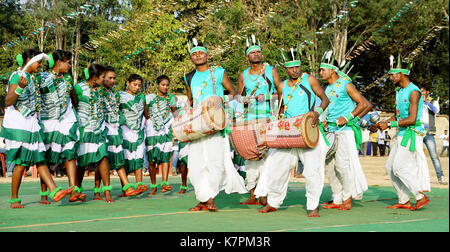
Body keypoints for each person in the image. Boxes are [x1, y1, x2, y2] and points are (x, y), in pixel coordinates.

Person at [256, 47, 329, 217]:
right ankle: (273, 202)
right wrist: (276, 121)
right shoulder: (281, 86)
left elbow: (325, 99)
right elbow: (281, 108)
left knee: (312, 171)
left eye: (297, 66)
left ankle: (313, 206)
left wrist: (316, 113)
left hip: (308, 129)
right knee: (275, 168)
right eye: (291, 68)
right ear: (285, 69)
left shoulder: (309, 80)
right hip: (288, 132)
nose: (295, 70)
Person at [1, 49, 73, 208]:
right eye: (38, 62)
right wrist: (19, 88)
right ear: (28, 60)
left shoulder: (31, 78)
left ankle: (49, 191)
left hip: (30, 122)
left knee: (32, 158)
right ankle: (49, 191)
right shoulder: (17, 76)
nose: (40, 66)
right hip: (19, 123)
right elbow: (8, 101)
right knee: (28, 159)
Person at [183, 38, 247, 211]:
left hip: (216, 124)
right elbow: (190, 100)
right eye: (194, 54)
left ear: (207, 55)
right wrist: (184, 120)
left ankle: (210, 198)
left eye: (200, 53)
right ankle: (202, 197)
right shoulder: (188, 77)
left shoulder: (218, 73)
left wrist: (220, 104)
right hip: (197, 125)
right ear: (191, 58)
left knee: (214, 162)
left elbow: (232, 92)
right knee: (195, 164)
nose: (197, 56)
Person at [376, 54, 430, 210]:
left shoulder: (414, 92)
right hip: (401, 133)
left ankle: (420, 196)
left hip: (411, 134)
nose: (391, 76)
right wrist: (385, 123)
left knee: (399, 167)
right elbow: (399, 114)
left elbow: (412, 119)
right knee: (389, 168)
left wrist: (390, 123)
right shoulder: (399, 91)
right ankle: (404, 200)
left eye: (393, 74)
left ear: (402, 74)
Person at [319, 52, 370, 211]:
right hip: (331, 131)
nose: (320, 73)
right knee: (330, 166)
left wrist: (348, 118)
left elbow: (364, 104)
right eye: (320, 70)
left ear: (332, 70)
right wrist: (325, 119)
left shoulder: (346, 84)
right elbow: (327, 108)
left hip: (345, 130)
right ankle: (337, 198)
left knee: (342, 166)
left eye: (323, 70)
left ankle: (348, 197)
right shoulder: (326, 88)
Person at [236, 35, 282, 205]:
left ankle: (265, 193)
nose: (255, 54)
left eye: (258, 52)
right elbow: (237, 97)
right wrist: (244, 101)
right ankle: (253, 194)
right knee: (251, 157)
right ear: (247, 57)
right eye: (252, 52)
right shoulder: (244, 75)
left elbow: (282, 92)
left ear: (261, 55)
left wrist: (269, 97)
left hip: (267, 120)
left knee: (268, 157)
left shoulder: (271, 71)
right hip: (249, 122)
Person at [35, 50, 85, 203]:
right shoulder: (42, 77)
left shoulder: (69, 78)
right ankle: (45, 194)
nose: (70, 65)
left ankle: (73, 190)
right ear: (58, 62)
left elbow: (73, 97)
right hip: (49, 121)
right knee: (50, 157)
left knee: (71, 154)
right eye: (67, 62)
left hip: (67, 120)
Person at [74, 63, 114, 203]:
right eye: (103, 77)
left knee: (103, 157)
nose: (104, 80)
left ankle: (106, 191)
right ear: (95, 76)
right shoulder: (79, 88)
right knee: (82, 163)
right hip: (84, 129)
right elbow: (73, 105)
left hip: (99, 129)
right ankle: (77, 190)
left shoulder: (102, 91)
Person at [100, 66, 141, 197]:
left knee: (116, 159)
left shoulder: (114, 94)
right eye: (109, 78)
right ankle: (81, 190)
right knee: (98, 161)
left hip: (114, 129)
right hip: (100, 129)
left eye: (114, 78)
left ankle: (126, 188)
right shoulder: (98, 92)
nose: (112, 81)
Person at [145, 75, 177, 194]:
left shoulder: (171, 98)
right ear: (157, 85)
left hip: (166, 130)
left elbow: (175, 113)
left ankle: (164, 183)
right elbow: (145, 111)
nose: (165, 87)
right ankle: (153, 185)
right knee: (152, 159)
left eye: (167, 85)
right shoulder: (149, 98)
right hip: (152, 131)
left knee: (165, 157)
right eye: (163, 85)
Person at [119, 74, 149, 193]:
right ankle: (125, 188)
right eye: (134, 84)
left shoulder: (141, 98)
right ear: (128, 83)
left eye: (139, 85)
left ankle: (139, 184)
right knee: (126, 158)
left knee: (139, 157)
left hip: (139, 131)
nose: (137, 87)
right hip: (125, 130)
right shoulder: (120, 96)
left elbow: (146, 114)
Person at [420, 84, 447, 184]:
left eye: (423, 91)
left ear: (427, 92)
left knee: (434, 156)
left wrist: (425, 102)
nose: (421, 92)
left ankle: (440, 177)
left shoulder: (433, 101)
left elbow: (436, 110)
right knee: (415, 156)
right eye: (420, 91)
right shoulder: (416, 102)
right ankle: (417, 178)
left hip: (428, 133)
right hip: (417, 132)